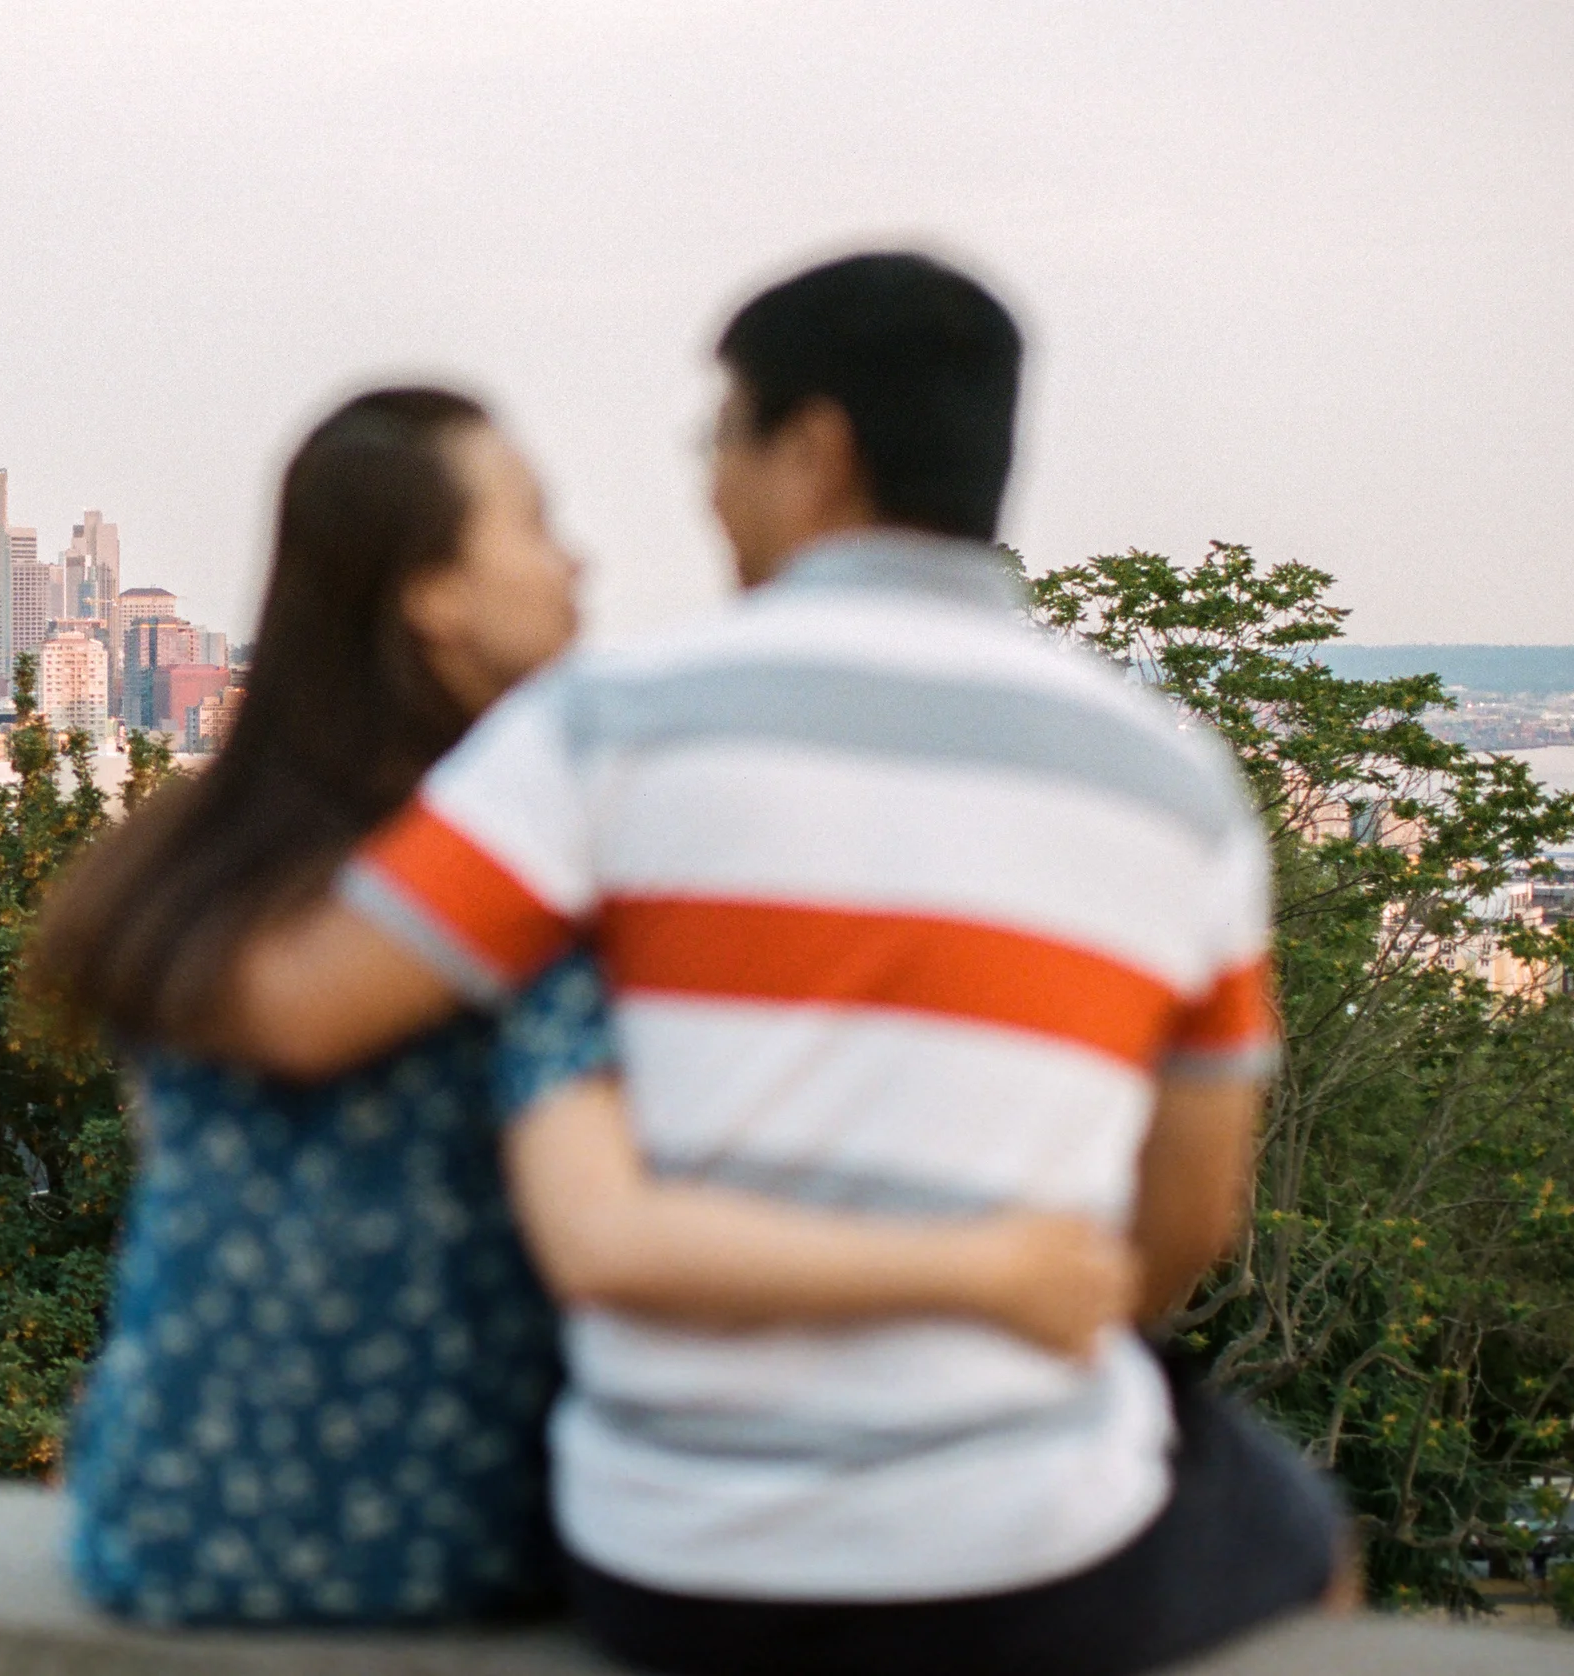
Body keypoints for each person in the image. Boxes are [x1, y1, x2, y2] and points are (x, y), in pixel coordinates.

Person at [209, 257, 1348, 1673]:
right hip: (1018, 1562)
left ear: (814, 451)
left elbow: (303, 1009)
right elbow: (1182, 1225)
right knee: (1302, 1526)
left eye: (720, 440)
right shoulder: (1174, 786)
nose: (707, 488)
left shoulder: (604, 722)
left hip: (666, 1560)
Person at [27, 385, 1139, 1628]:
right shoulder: (503, 899)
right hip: (434, 1535)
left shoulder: (190, 872)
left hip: (161, 1522)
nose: (578, 561)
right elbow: (604, 1239)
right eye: (536, 523)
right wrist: (988, 1266)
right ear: (434, 595)